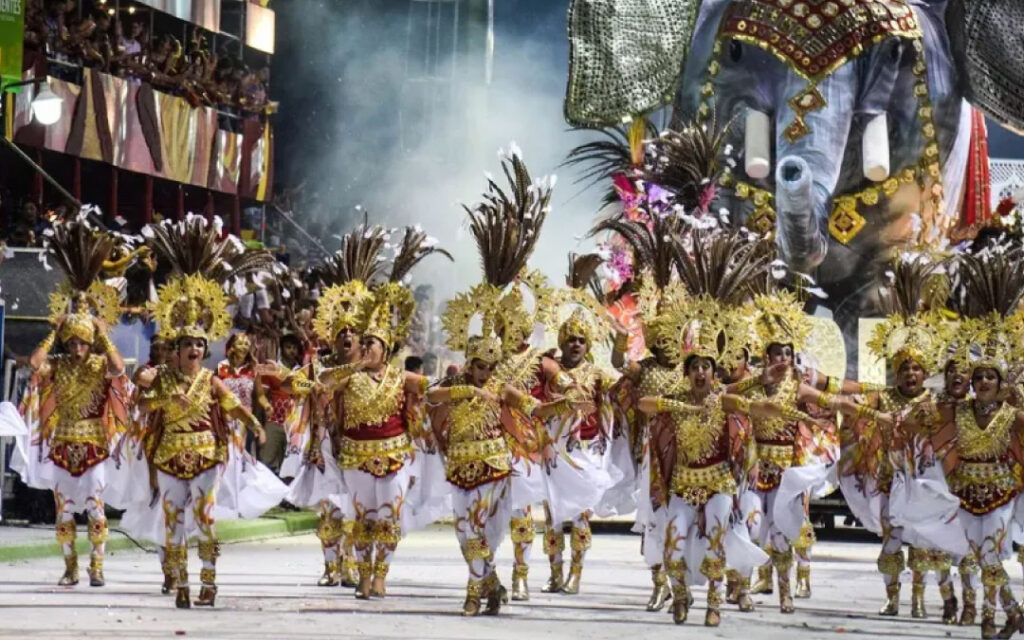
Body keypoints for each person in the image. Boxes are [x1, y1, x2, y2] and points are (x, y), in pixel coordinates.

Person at [12, 221, 128, 588]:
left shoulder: (97, 364)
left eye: (83, 342)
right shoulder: (56, 365)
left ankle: (97, 565)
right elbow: (34, 363)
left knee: (95, 509)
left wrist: (101, 331)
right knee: (62, 512)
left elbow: (119, 368)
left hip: (93, 446)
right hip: (62, 446)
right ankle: (70, 567)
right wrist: (55, 327)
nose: (78, 348)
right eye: (73, 342)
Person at [140, 273, 266, 608]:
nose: (194, 349)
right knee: (173, 521)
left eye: (199, 344)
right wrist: (167, 401)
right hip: (168, 455)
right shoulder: (162, 377)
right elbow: (142, 404)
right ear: (176, 350)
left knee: (206, 518)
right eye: (188, 344)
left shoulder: (211, 380)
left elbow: (232, 405)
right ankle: (181, 582)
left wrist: (254, 423)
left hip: (207, 456)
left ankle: (209, 581)